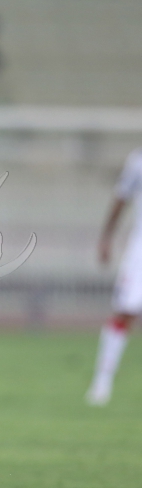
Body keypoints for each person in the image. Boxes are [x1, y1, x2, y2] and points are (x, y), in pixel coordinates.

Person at [86, 148, 142, 405]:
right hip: (139, 251)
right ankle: (102, 381)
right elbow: (121, 198)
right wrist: (106, 238)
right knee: (124, 311)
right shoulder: (138, 161)